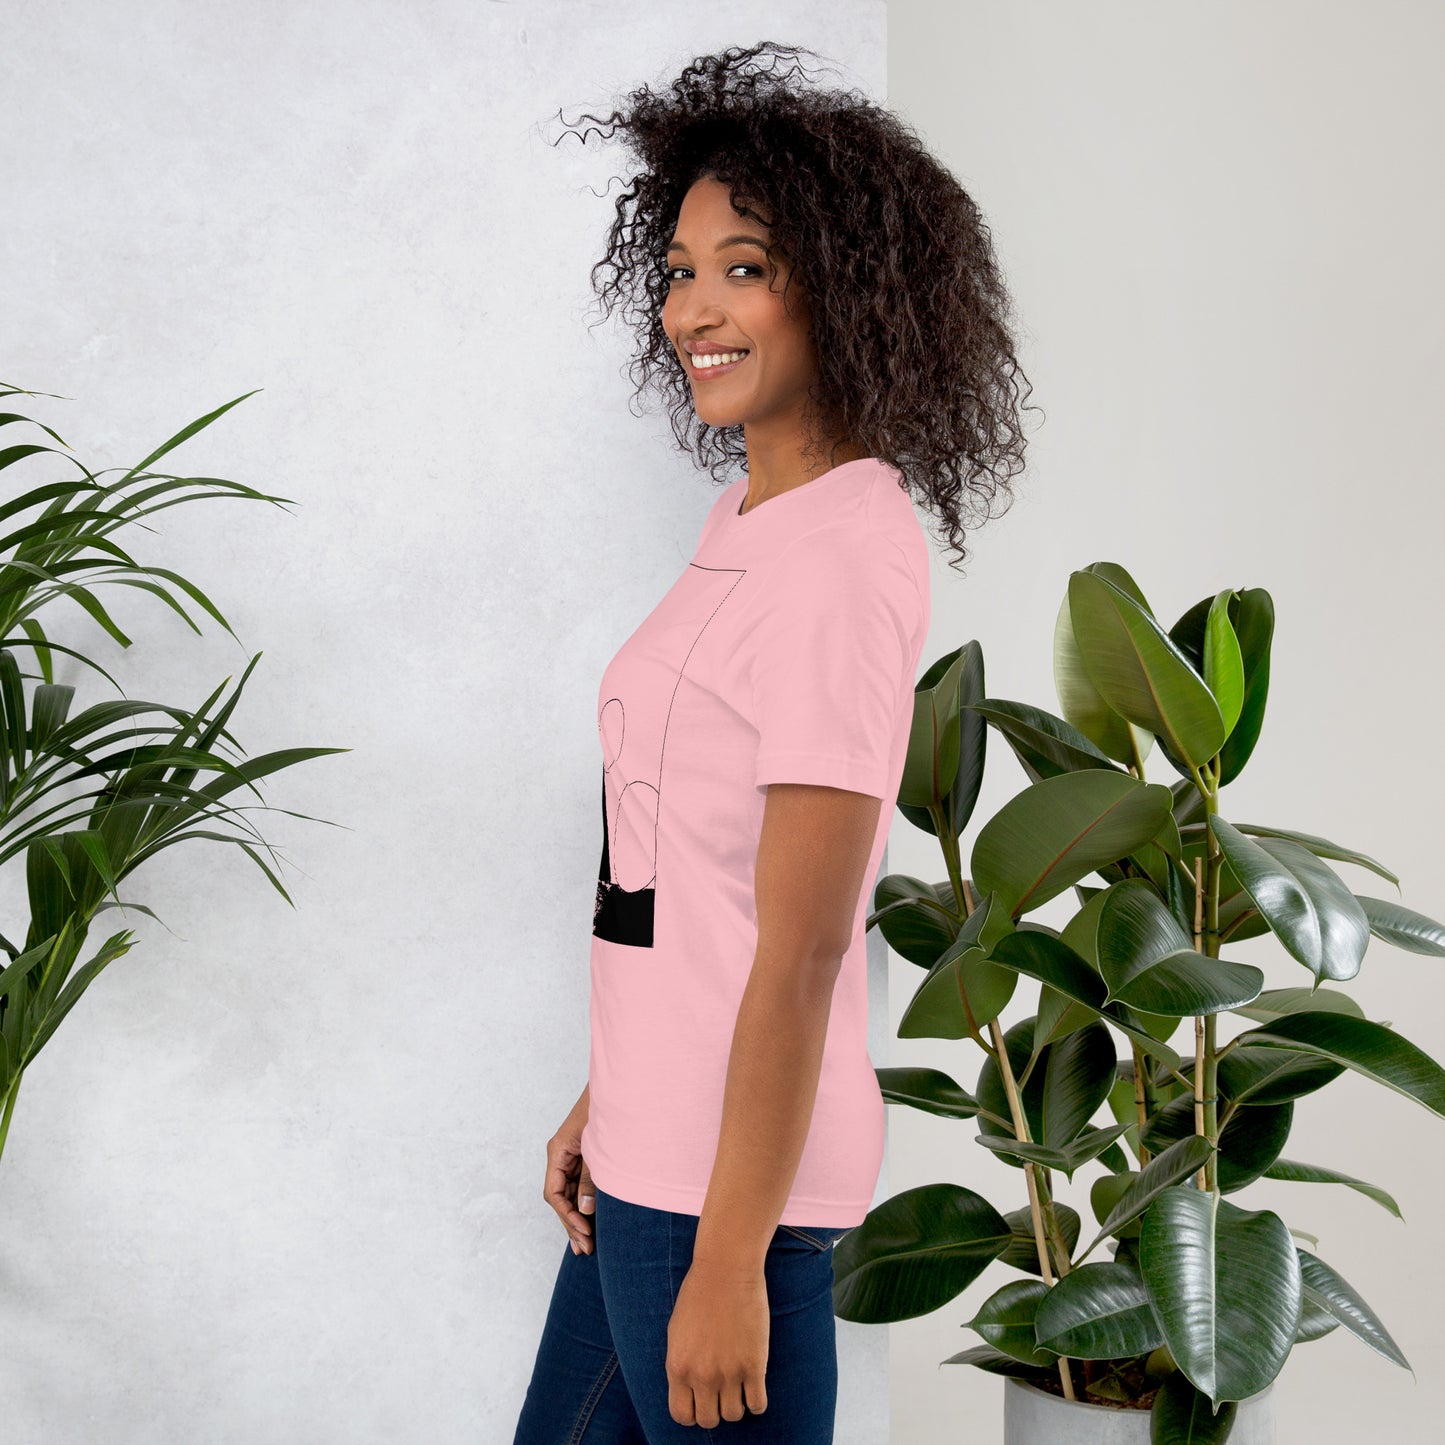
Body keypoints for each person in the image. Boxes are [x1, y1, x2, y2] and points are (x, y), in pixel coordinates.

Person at [513, 40, 1033, 1444]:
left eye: (744, 266)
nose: (695, 307)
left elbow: (805, 944)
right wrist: (606, 1096)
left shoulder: (845, 555)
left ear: (850, 288)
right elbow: (691, 879)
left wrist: (732, 1258)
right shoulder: (744, 524)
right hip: (648, 1160)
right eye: (679, 270)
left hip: (722, 1203)